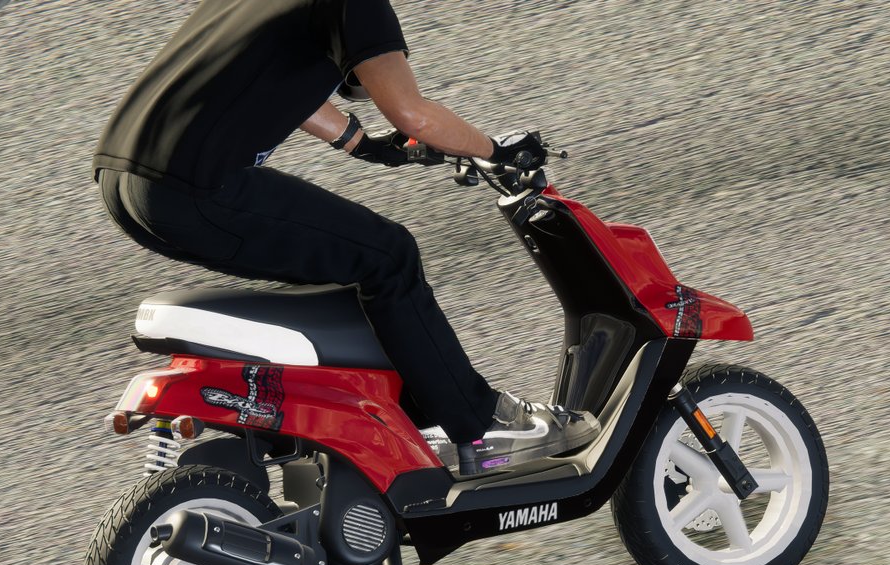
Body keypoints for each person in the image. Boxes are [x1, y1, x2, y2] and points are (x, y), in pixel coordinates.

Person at [92, 0, 597, 475]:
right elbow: (413, 115)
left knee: (346, 266)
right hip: (193, 186)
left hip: (126, 182)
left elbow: (275, 80)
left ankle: (395, 420)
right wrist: (496, 150)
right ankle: (478, 427)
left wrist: (361, 144)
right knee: (388, 258)